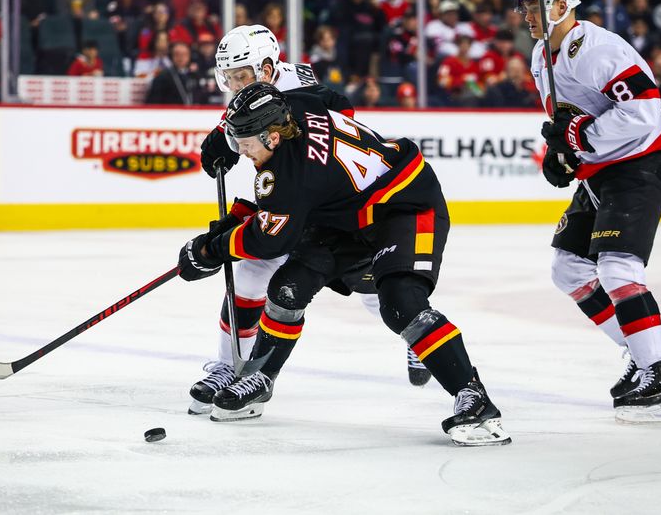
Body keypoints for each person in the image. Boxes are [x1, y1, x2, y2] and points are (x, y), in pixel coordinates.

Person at [178, 82, 512, 446]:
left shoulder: (290, 174)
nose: (241, 152)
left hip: (405, 204)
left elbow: (272, 239)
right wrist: (224, 137)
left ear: (273, 138)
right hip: (347, 214)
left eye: (245, 144)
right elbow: (334, 100)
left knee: (401, 303)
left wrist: (211, 250)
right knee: (287, 288)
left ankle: (475, 399)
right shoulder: (295, 103)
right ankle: (259, 379)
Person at [187, 24, 431, 417]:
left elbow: (342, 117)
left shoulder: (299, 83)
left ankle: (417, 334)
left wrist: (226, 236)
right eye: (228, 78)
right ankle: (230, 367)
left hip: (334, 206)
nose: (234, 85)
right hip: (286, 196)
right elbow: (265, 176)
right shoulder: (253, 91)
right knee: (251, 273)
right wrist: (223, 136)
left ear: (267, 68)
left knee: (371, 285)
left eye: (241, 76)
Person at [517, 0, 661, 423]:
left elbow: (644, 112)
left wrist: (581, 139)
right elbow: (568, 119)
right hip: (603, 172)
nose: (528, 14)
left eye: (535, 5)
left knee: (617, 266)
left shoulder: (596, 48)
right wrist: (563, 155)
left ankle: (660, 373)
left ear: (562, 3)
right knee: (568, 268)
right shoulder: (542, 56)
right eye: (525, 6)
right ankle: (642, 350)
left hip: (640, 165)